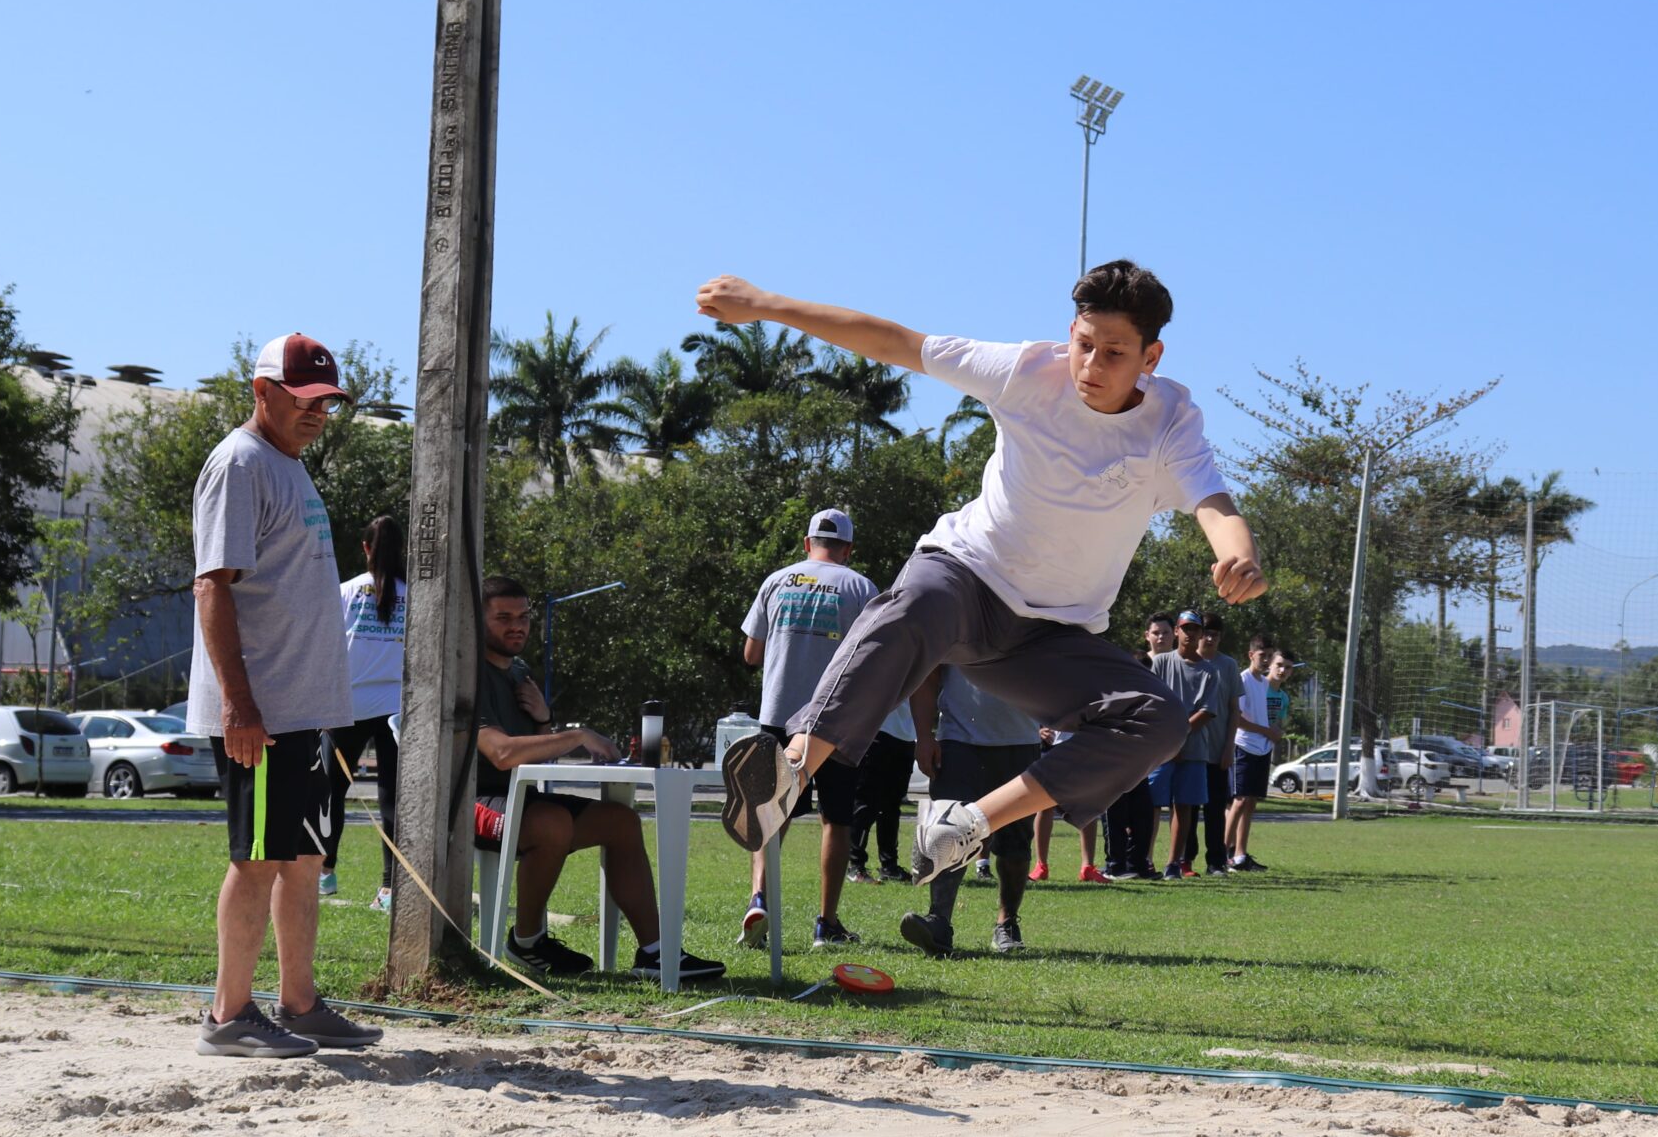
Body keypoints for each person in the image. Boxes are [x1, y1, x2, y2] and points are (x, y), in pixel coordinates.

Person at [704, 261, 1267, 881]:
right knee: (908, 608)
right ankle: (788, 772)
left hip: (1051, 636)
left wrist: (1237, 552)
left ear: (1150, 357)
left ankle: (969, 824)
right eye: (1083, 345)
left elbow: (1213, 500)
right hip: (966, 579)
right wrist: (765, 304)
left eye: (1113, 354)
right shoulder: (1025, 371)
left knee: (1156, 718)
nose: (1090, 367)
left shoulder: (1170, 422)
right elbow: (896, 342)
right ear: (1069, 333)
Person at [189, 335, 384, 1057]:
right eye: (302, 399)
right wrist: (239, 704)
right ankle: (227, 1014)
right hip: (264, 712)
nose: (315, 412)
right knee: (259, 857)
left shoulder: (287, 465)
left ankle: (298, 1003)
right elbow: (213, 585)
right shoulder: (240, 462)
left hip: (305, 709)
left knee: (303, 859)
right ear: (261, 390)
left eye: (325, 401)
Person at [476, 577, 727, 984]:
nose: (517, 626)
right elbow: (502, 754)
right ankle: (526, 941)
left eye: (523, 617)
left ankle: (655, 953)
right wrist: (576, 734)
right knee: (550, 822)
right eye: (503, 617)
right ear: (477, 619)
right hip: (475, 802)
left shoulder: (518, 671)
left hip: (522, 798)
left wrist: (543, 719)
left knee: (621, 821)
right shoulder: (468, 673)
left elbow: (537, 749)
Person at [735, 508, 875, 951]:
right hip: (834, 720)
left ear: (806, 542)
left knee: (769, 811)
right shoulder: (861, 587)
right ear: (848, 549)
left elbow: (751, 654)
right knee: (836, 818)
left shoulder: (777, 580)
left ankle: (759, 897)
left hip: (777, 715)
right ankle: (826, 924)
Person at [901, 668, 1039, 956]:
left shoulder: (1037, 622)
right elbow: (926, 677)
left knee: (1015, 842)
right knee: (945, 831)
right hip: (958, 742)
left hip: (1020, 743)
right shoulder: (953, 624)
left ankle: (1007, 923)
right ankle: (939, 922)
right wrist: (924, 737)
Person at [323, 515, 405, 911]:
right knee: (393, 800)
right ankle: (390, 889)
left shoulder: (345, 591)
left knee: (328, 792)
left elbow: (326, 648)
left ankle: (324, 872)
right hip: (397, 709)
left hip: (346, 706)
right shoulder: (418, 595)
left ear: (366, 548)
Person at [1101, 614, 1177, 879]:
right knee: (1116, 817)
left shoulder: (1152, 700)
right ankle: (1115, 865)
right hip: (1115, 768)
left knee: (1143, 817)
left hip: (1141, 770)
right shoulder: (1114, 698)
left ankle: (1137, 864)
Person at [1149, 610, 1220, 878]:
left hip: (1192, 748)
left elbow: (1207, 711)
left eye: (1195, 629)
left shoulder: (1209, 671)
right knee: (1153, 803)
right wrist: (1168, 740)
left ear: (1201, 634)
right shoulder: (1162, 663)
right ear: (1176, 631)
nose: (1190, 633)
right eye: (1185, 628)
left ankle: (1173, 864)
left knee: (1184, 805)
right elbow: (1152, 701)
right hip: (1161, 748)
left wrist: (1179, 737)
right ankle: (1145, 859)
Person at [849, 700, 918, 884]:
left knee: (892, 806)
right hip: (876, 730)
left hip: (906, 736)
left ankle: (889, 867)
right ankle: (855, 865)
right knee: (866, 804)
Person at [1227, 636, 1281, 870]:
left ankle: (1240, 856)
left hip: (1262, 748)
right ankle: (1221, 854)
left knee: (1251, 803)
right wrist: (1265, 730)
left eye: (1270, 655)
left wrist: (1271, 732)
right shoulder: (1243, 679)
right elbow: (1237, 719)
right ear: (1251, 655)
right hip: (1245, 746)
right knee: (1239, 801)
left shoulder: (1263, 683)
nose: (1267, 660)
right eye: (1262, 655)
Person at [1195, 615, 1243, 876]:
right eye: (1206, 632)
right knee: (1187, 810)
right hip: (1190, 751)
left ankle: (1216, 861)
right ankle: (1184, 860)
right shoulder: (1185, 662)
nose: (1210, 638)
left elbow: (1235, 710)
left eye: (1215, 633)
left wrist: (1229, 748)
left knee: (1215, 811)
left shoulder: (1229, 665)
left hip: (1217, 751)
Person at [1029, 726, 1103, 882]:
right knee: (1044, 804)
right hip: (1052, 746)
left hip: (1083, 743)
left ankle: (1087, 867)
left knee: (1087, 803)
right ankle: (1041, 866)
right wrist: (1037, 730)